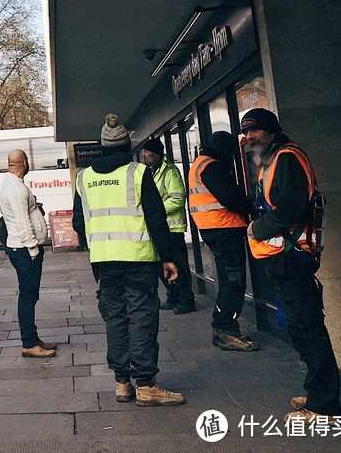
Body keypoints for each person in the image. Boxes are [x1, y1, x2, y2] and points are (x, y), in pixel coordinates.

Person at [73, 113, 184, 407]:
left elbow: (76, 222)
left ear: (100, 146)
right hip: (137, 260)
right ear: (126, 146)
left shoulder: (83, 177)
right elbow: (157, 219)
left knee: (116, 319)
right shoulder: (138, 173)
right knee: (142, 319)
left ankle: (122, 383)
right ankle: (146, 385)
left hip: (104, 264)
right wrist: (168, 258)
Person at [241, 108, 341, 424]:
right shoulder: (272, 159)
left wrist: (257, 229)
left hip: (292, 257)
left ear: (271, 131)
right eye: (245, 132)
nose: (249, 137)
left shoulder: (285, 158)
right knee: (301, 327)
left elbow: (291, 207)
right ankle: (318, 394)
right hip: (284, 259)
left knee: (306, 328)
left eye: (254, 131)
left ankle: (324, 405)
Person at [187, 131, 259, 352]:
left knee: (229, 281)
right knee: (234, 282)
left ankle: (222, 328)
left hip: (214, 228)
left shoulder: (200, 164)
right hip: (224, 227)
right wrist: (253, 209)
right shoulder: (211, 166)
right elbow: (229, 197)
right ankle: (226, 331)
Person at [0, 149, 56, 358]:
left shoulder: (13, 185)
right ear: (24, 162)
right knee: (27, 297)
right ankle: (29, 343)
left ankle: (33, 338)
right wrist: (32, 247)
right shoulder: (16, 189)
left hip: (21, 248)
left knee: (30, 295)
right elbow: (23, 221)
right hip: (24, 250)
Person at [140, 138, 196, 314]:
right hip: (160, 229)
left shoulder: (170, 171)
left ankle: (186, 300)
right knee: (160, 266)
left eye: (147, 152)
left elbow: (178, 199)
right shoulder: (151, 171)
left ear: (155, 154)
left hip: (172, 229)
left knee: (178, 266)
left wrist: (155, 210)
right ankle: (173, 296)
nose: (143, 155)